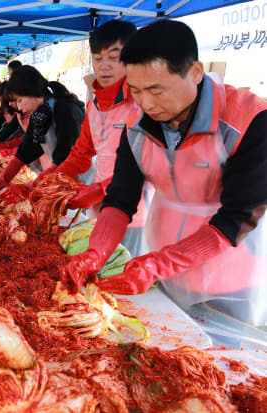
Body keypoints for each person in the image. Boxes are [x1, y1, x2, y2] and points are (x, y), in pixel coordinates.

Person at [63, 20, 267, 327]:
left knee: (227, 359)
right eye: (135, 90)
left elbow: (237, 217)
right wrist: (96, 252)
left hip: (232, 273)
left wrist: (160, 264)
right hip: (163, 260)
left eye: (156, 90)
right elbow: (120, 199)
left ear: (195, 73)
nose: (146, 103)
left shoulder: (249, 120)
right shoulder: (137, 128)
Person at [32, 20, 149, 257]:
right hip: (98, 207)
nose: (104, 66)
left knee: (123, 270)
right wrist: (47, 182)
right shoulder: (95, 105)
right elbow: (80, 155)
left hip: (133, 210)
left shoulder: (144, 105)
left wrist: (96, 191)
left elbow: (146, 167)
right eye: (97, 58)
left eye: (114, 57)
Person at [0, 65, 85, 198]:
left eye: (20, 101)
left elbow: (66, 159)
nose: (19, 107)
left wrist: (29, 187)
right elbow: (25, 151)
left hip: (81, 179)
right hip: (59, 176)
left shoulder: (66, 111)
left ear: (32, 93)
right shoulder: (39, 114)